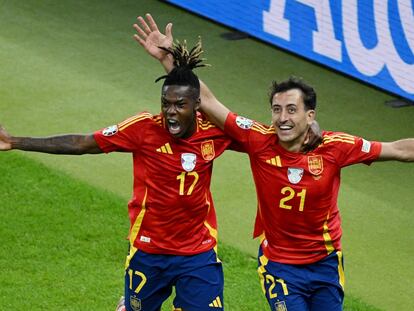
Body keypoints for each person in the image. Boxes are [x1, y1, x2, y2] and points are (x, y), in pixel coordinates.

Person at [133, 13, 414, 311]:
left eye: (291, 110)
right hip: (280, 266)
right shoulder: (258, 139)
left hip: (325, 263)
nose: (282, 118)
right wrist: (169, 61)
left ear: (310, 116)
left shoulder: (337, 147)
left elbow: (398, 149)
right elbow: (208, 101)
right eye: (277, 109)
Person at [0, 41, 236, 311]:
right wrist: (15, 141)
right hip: (148, 250)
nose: (171, 112)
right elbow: (82, 144)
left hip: (197, 253)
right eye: (165, 104)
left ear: (197, 105)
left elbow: (257, 140)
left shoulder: (214, 133)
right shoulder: (143, 128)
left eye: (179, 105)